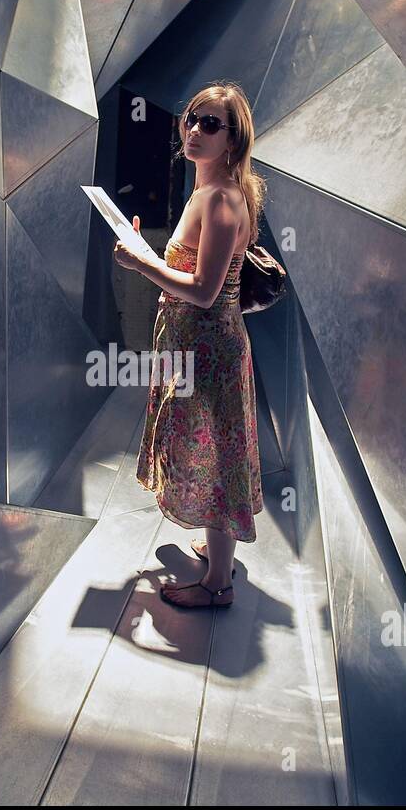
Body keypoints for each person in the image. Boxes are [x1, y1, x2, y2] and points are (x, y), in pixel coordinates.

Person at [112, 82, 266, 609]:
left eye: (211, 124)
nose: (195, 130)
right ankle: (216, 547)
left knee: (217, 453)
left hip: (211, 352)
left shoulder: (222, 199)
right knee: (206, 446)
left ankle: (217, 583)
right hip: (193, 348)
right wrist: (143, 248)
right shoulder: (205, 191)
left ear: (233, 139)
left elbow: (203, 292)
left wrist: (143, 264)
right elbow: (187, 266)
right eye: (192, 119)